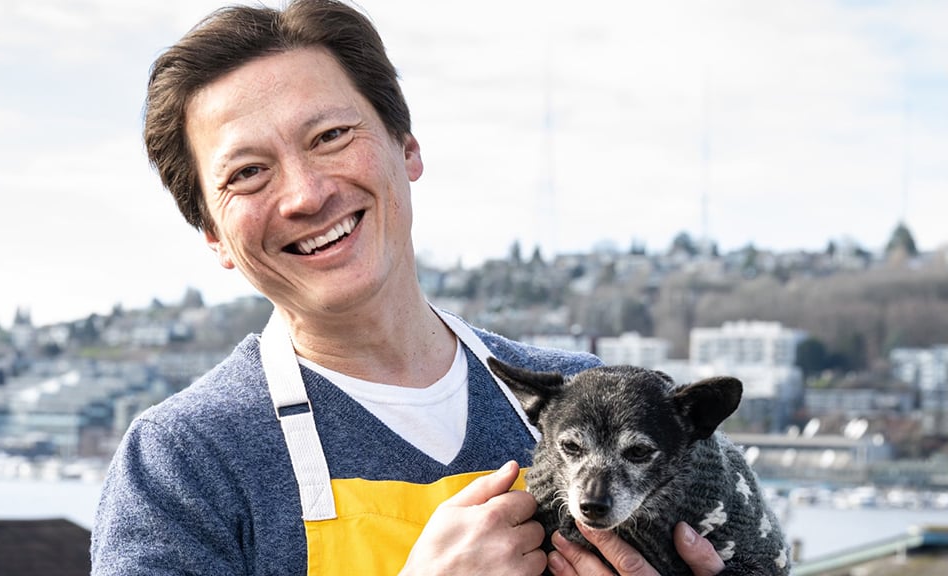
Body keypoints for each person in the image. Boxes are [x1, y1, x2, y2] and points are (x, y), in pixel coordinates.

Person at [90, 1, 726, 575]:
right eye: (249, 173)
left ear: (408, 146)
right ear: (212, 235)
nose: (307, 195)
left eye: (332, 136)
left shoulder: (589, 400)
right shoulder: (185, 462)